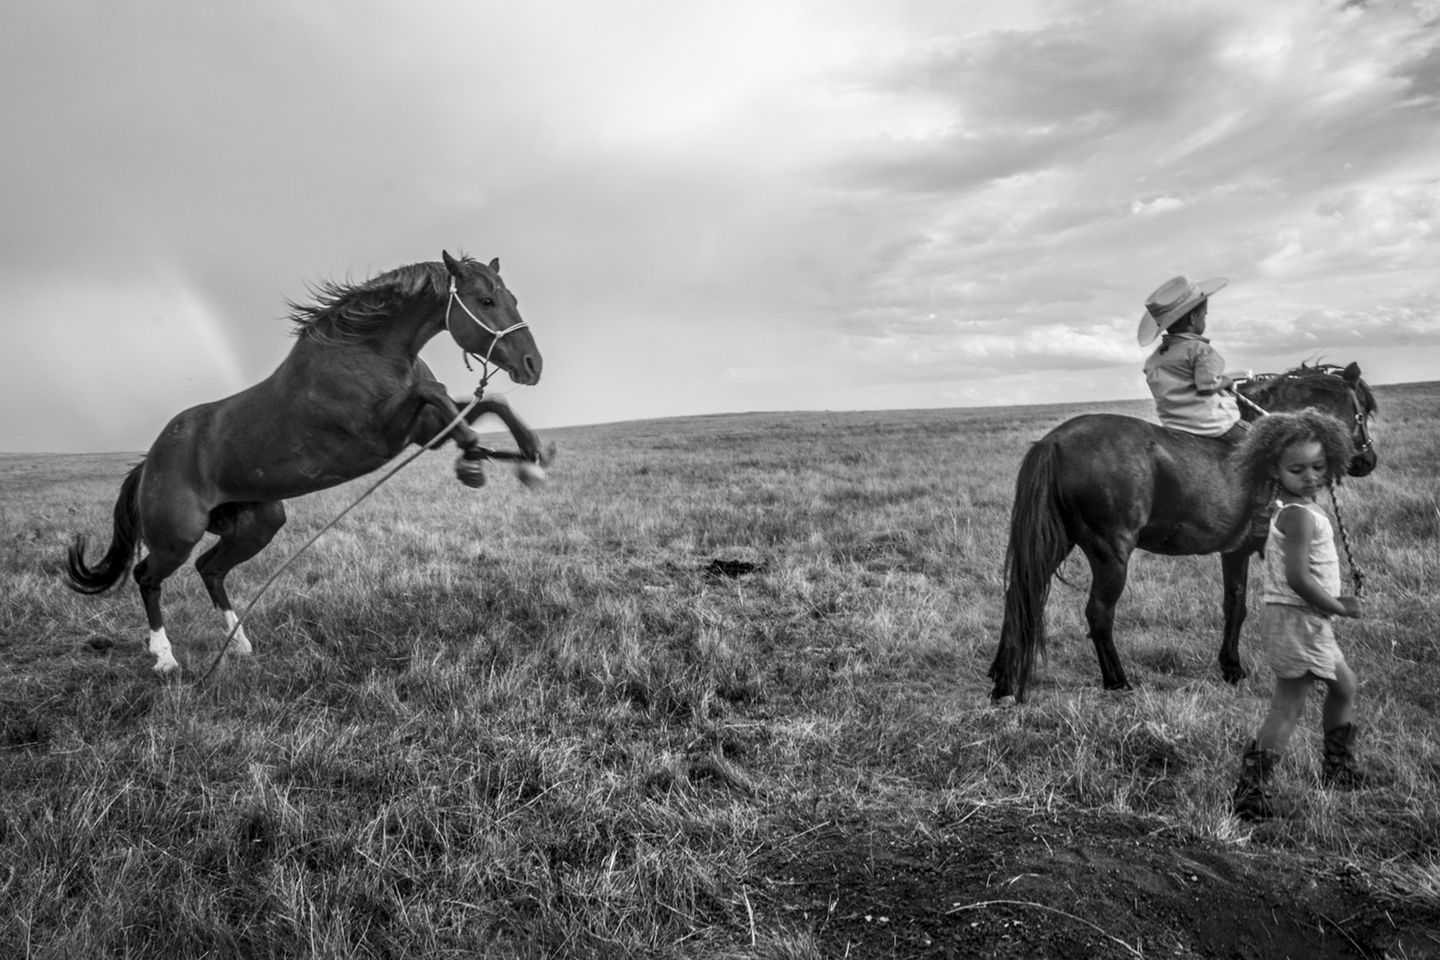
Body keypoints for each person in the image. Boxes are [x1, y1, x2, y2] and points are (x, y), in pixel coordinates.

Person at [1229, 410, 1367, 820]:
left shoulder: (1299, 506)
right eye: (1297, 469)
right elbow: (1298, 578)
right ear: (1274, 468)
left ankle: (1338, 768)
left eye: (1319, 467)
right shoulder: (1299, 515)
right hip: (1298, 620)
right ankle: (1250, 792)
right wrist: (1340, 604)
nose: (1310, 476)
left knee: (1345, 686)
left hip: (1307, 619)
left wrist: (1330, 604)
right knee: (1287, 707)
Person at [1138, 275, 1251, 443]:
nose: (1204, 319)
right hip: (1214, 425)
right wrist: (1226, 381)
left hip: (1175, 428)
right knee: (1262, 440)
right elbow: (1207, 386)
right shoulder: (1200, 350)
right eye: (1204, 316)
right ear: (1193, 319)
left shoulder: (1153, 361)